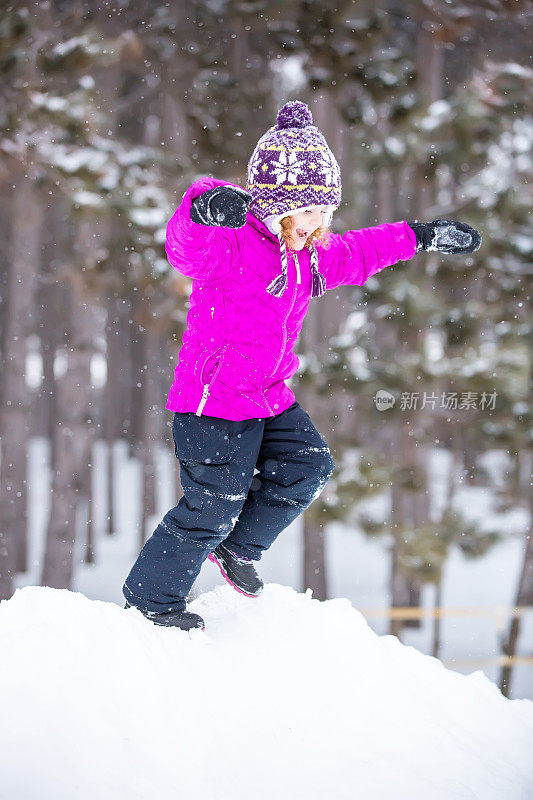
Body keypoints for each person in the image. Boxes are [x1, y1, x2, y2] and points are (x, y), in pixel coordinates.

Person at [122, 100, 481, 630]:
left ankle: (238, 550)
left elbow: (359, 252)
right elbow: (184, 252)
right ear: (279, 205)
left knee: (308, 466)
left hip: (268, 396)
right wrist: (200, 210)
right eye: (310, 210)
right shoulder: (233, 243)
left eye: (325, 211)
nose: (321, 222)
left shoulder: (306, 254)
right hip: (213, 403)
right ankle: (151, 601)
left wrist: (419, 235)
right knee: (212, 507)